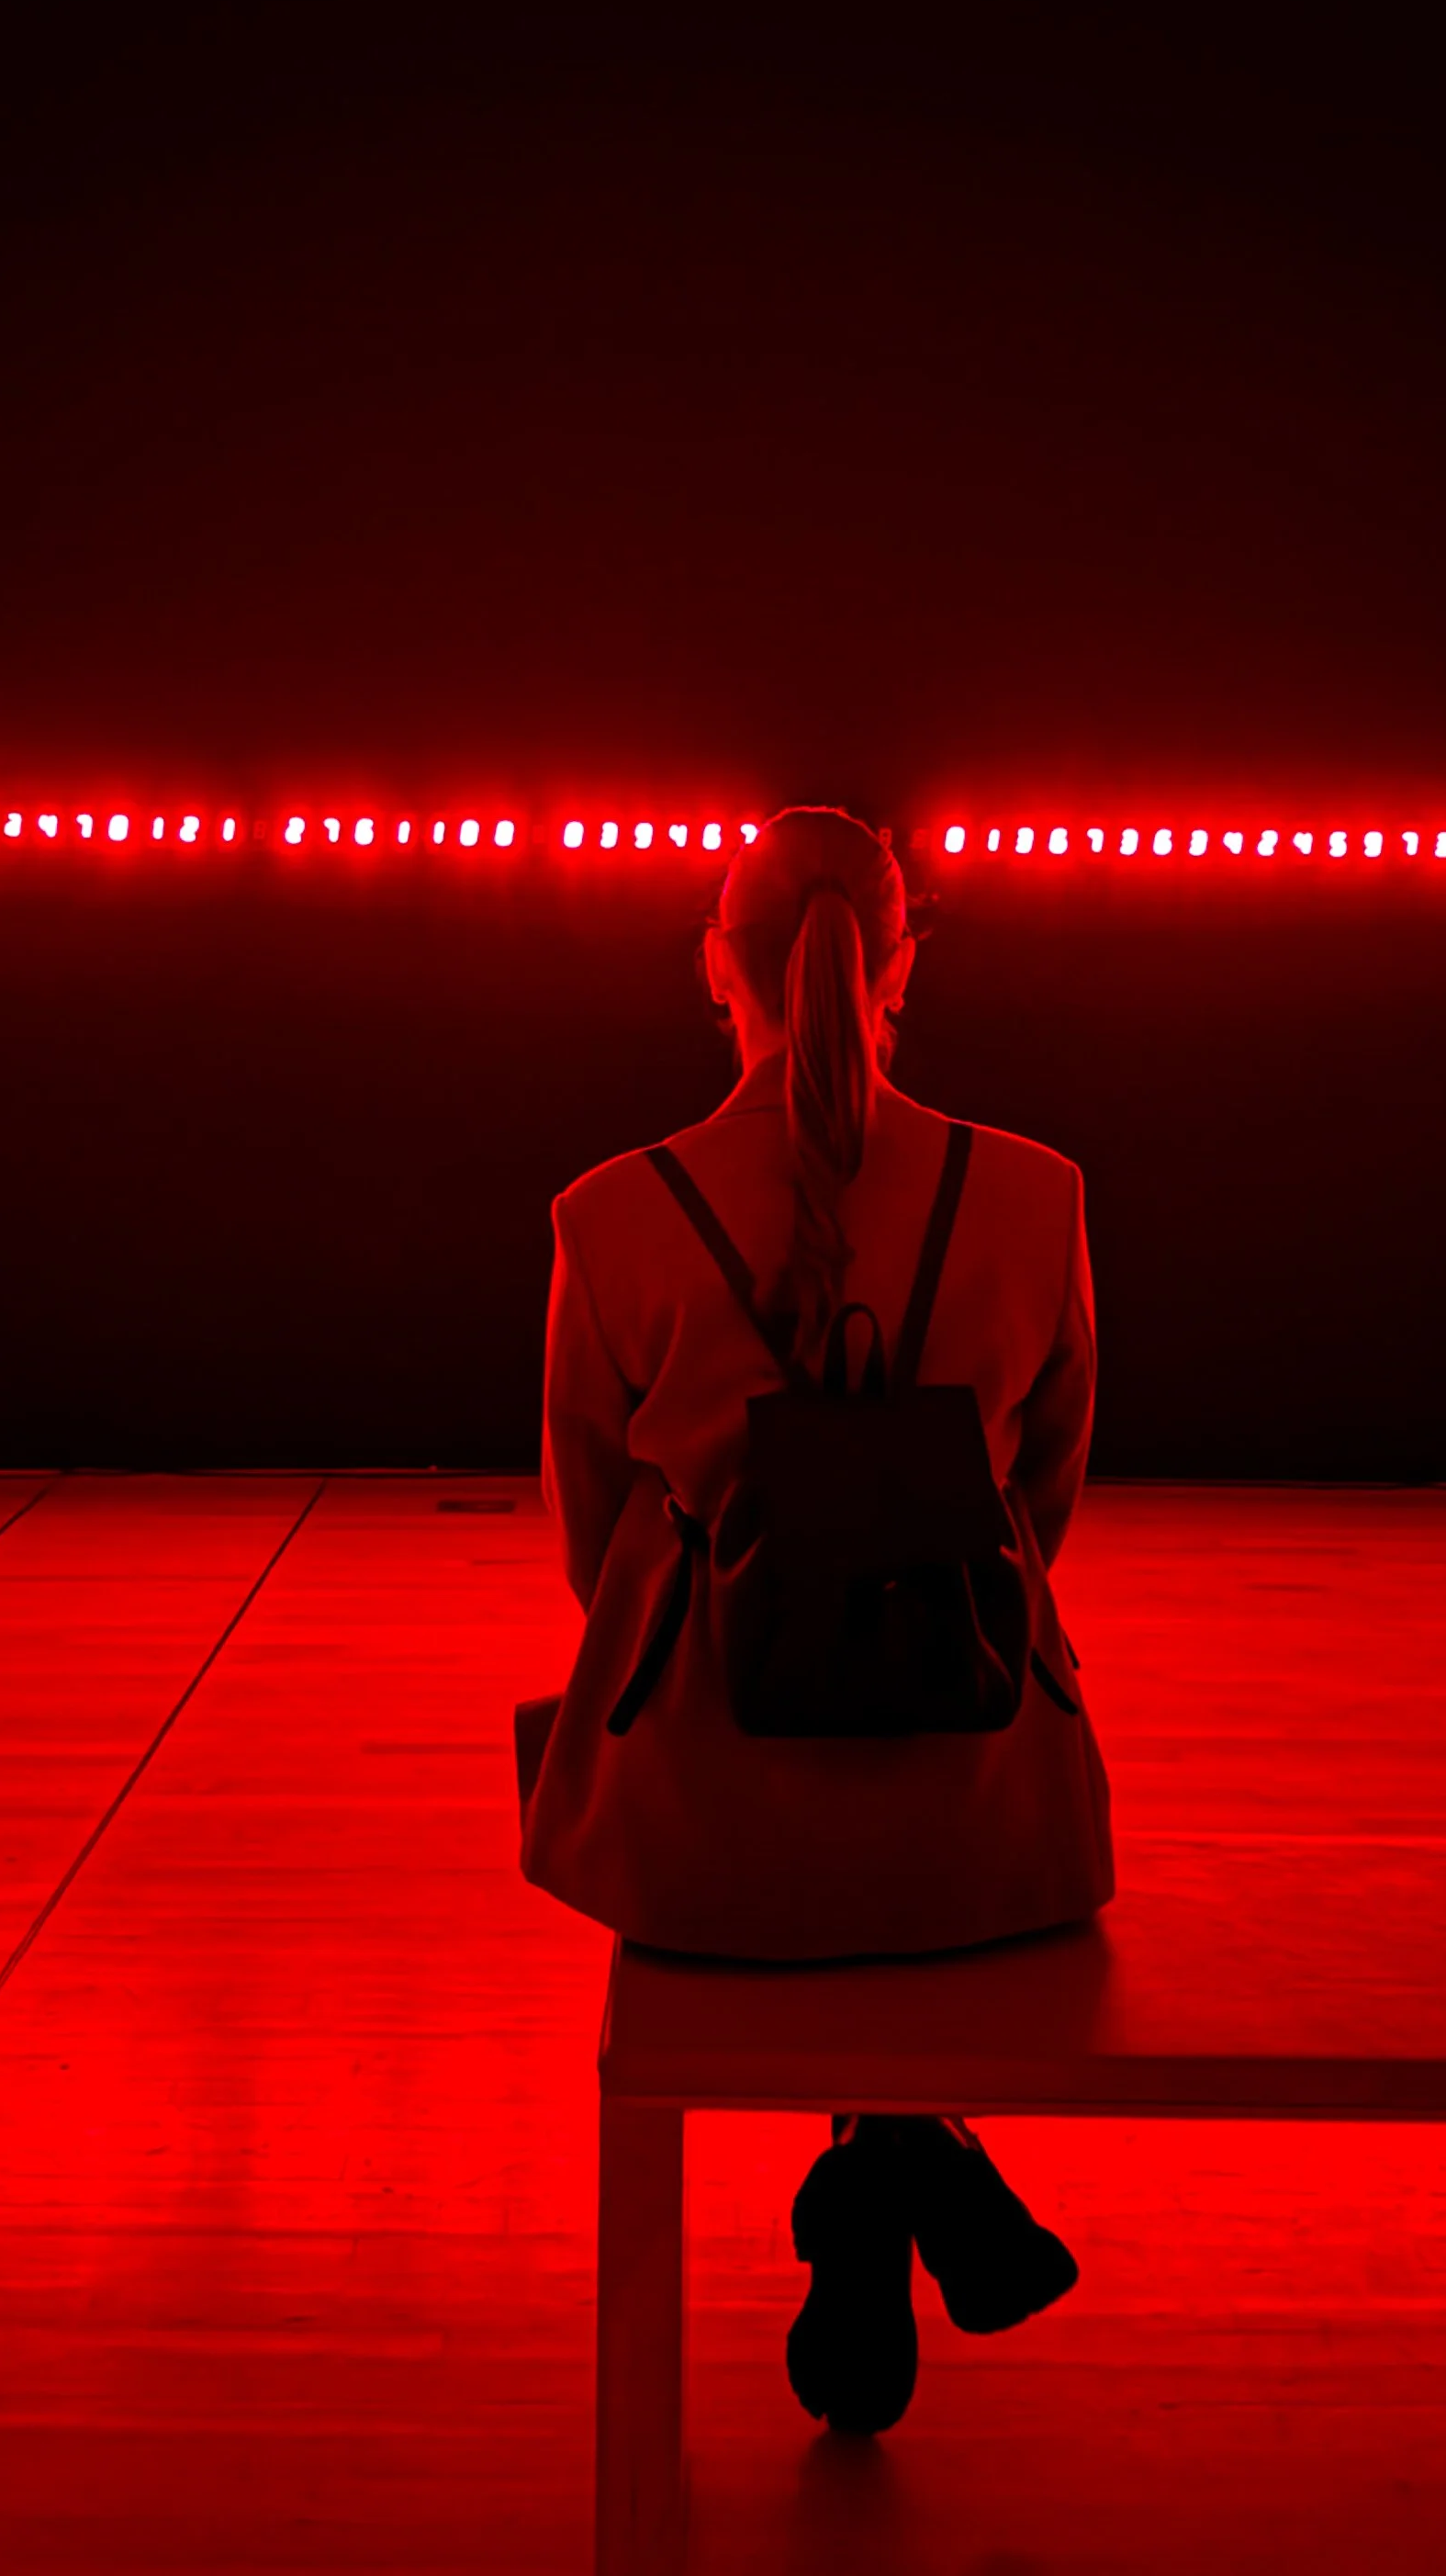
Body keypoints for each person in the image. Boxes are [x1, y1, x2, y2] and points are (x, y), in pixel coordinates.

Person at [521, 803, 1115, 2432]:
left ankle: (886, 2165)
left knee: (741, 1830)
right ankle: (896, 2152)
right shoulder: (1036, 1194)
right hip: (989, 1810)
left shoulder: (609, 1215)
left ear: (716, 967)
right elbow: (1042, 1504)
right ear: (900, 965)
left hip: (705, 1830)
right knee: (902, 1869)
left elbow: (593, 1547)